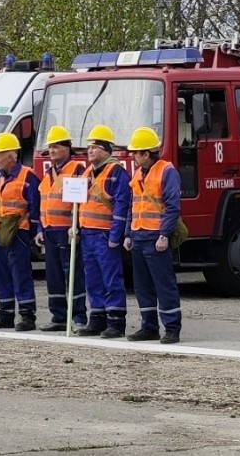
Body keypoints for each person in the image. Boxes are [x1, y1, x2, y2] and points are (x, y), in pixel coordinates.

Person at [124, 127, 182, 344]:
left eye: (135, 152)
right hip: (139, 236)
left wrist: (164, 235)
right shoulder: (139, 173)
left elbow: (172, 206)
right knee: (143, 286)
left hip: (155, 237)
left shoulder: (166, 171)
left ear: (146, 154)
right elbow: (133, 205)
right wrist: (129, 233)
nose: (133, 156)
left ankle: (172, 328)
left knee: (163, 284)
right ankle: (149, 327)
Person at [76, 125, 131, 339]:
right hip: (88, 233)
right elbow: (79, 203)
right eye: (89, 147)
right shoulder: (88, 172)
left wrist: (115, 236)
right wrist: (75, 226)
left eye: (95, 147)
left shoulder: (116, 173)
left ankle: (116, 322)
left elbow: (121, 206)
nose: (90, 151)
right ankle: (97, 319)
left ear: (107, 150)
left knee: (111, 278)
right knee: (93, 279)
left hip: (105, 235)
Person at [0, 133, 41, 331]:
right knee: (1, 273)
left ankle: (27, 315)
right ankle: (5, 313)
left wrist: (32, 234)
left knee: (20, 273)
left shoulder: (28, 176)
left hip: (19, 233)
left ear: (11, 156)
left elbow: (35, 209)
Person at [36, 126, 87, 332]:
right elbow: (44, 202)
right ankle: (58, 316)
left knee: (73, 275)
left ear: (67, 148)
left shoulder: (77, 170)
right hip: (49, 230)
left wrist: (76, 226)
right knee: (54, 276)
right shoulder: (49, 173)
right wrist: (40, 228)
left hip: (67, 230)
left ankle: (78, 317)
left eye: (56, 146)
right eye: (50, 147)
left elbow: (82, 203)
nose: (52, 150)